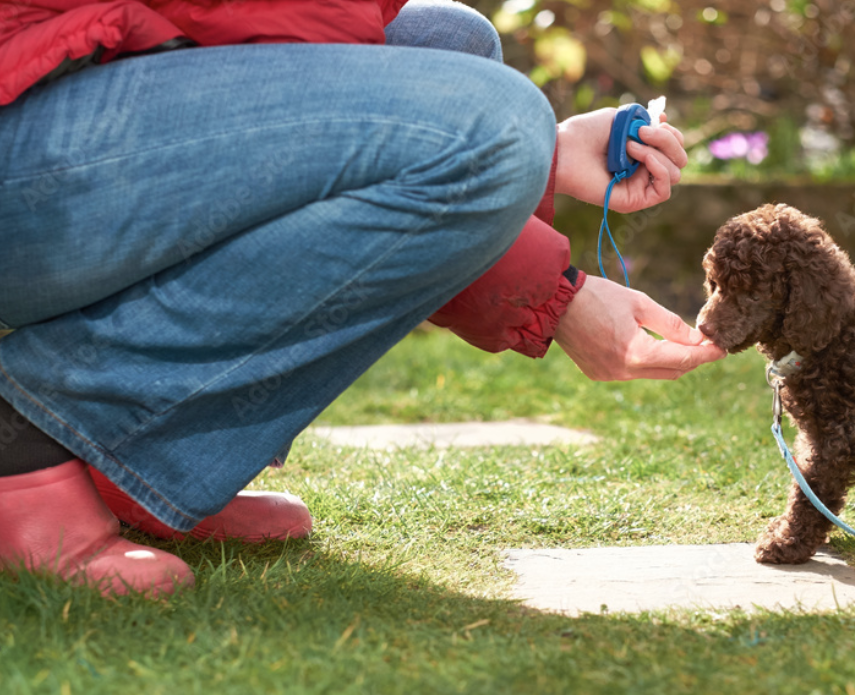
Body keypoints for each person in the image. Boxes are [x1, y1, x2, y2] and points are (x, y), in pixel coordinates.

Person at [0, 0, 726, 597]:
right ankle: (29, 436)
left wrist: (551, 160)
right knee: (493, 125)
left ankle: (128, 457)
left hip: (66, 82)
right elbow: (290, 23)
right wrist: (555, 287)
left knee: (450, 44)